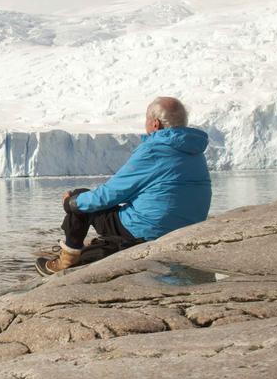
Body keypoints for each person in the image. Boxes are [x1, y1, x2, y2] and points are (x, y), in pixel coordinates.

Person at [36, 96, 212, 276]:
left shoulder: (153, 150)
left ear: (155, 124)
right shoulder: (194, 151)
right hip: (186, 230)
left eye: (146, 119)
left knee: (80, 198)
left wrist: (71, 203)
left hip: (148, 231)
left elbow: (110, 194)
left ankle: (66, 261)